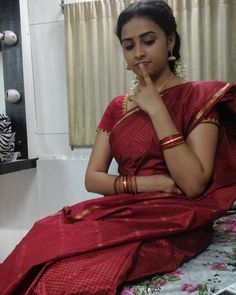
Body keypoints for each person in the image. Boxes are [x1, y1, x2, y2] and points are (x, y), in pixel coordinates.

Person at [0, 1, 235, 294]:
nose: (138, 53)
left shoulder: (199, 98)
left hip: (178, 219)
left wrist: (158, 110)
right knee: (43, 237)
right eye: (128, 45)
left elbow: (193, 185)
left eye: (149, 41)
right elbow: (93, 178)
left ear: (170, 40)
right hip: (125, 210)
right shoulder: (117, 107)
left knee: (70, 277)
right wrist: (146, 184)